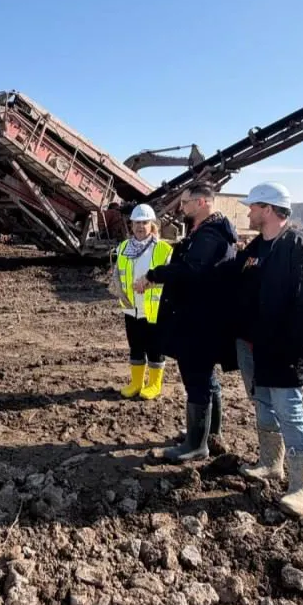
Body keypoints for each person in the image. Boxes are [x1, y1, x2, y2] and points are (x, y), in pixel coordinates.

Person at [227, 182, 303, 517]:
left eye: (253, 207)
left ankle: (302, 488)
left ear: (268, 210)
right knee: (263, 403)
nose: (248, 212)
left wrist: (293, 349)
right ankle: (271, 463)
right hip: (253, 345)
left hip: (282, 350)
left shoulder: (300, 247)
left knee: (289, 411)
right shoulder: (258, 246)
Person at [136, 184, 238, 463]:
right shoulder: (210, 232)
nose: (182, 207)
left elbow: (190, 269)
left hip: (198, 319)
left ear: (202, 202)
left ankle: (195, 445)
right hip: (204, 316)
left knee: (196, 379)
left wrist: (153, 275)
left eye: (186, 202)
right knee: (206, 378)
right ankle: (209, 434)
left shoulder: (209, 236)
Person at [113, 204, 173, 400]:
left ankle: (154, 384)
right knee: (136, 346)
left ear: (152, 224)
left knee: (155, 347)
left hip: (154, 309)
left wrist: (148, 284)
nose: (140, 226)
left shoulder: (163, 249)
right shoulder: (123, 248)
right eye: (137, 222)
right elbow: (117, 275)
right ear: (131, 225)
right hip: (132, 309)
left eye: (145, 222)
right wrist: (121, 293)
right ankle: (136, 383)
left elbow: (171, 278)